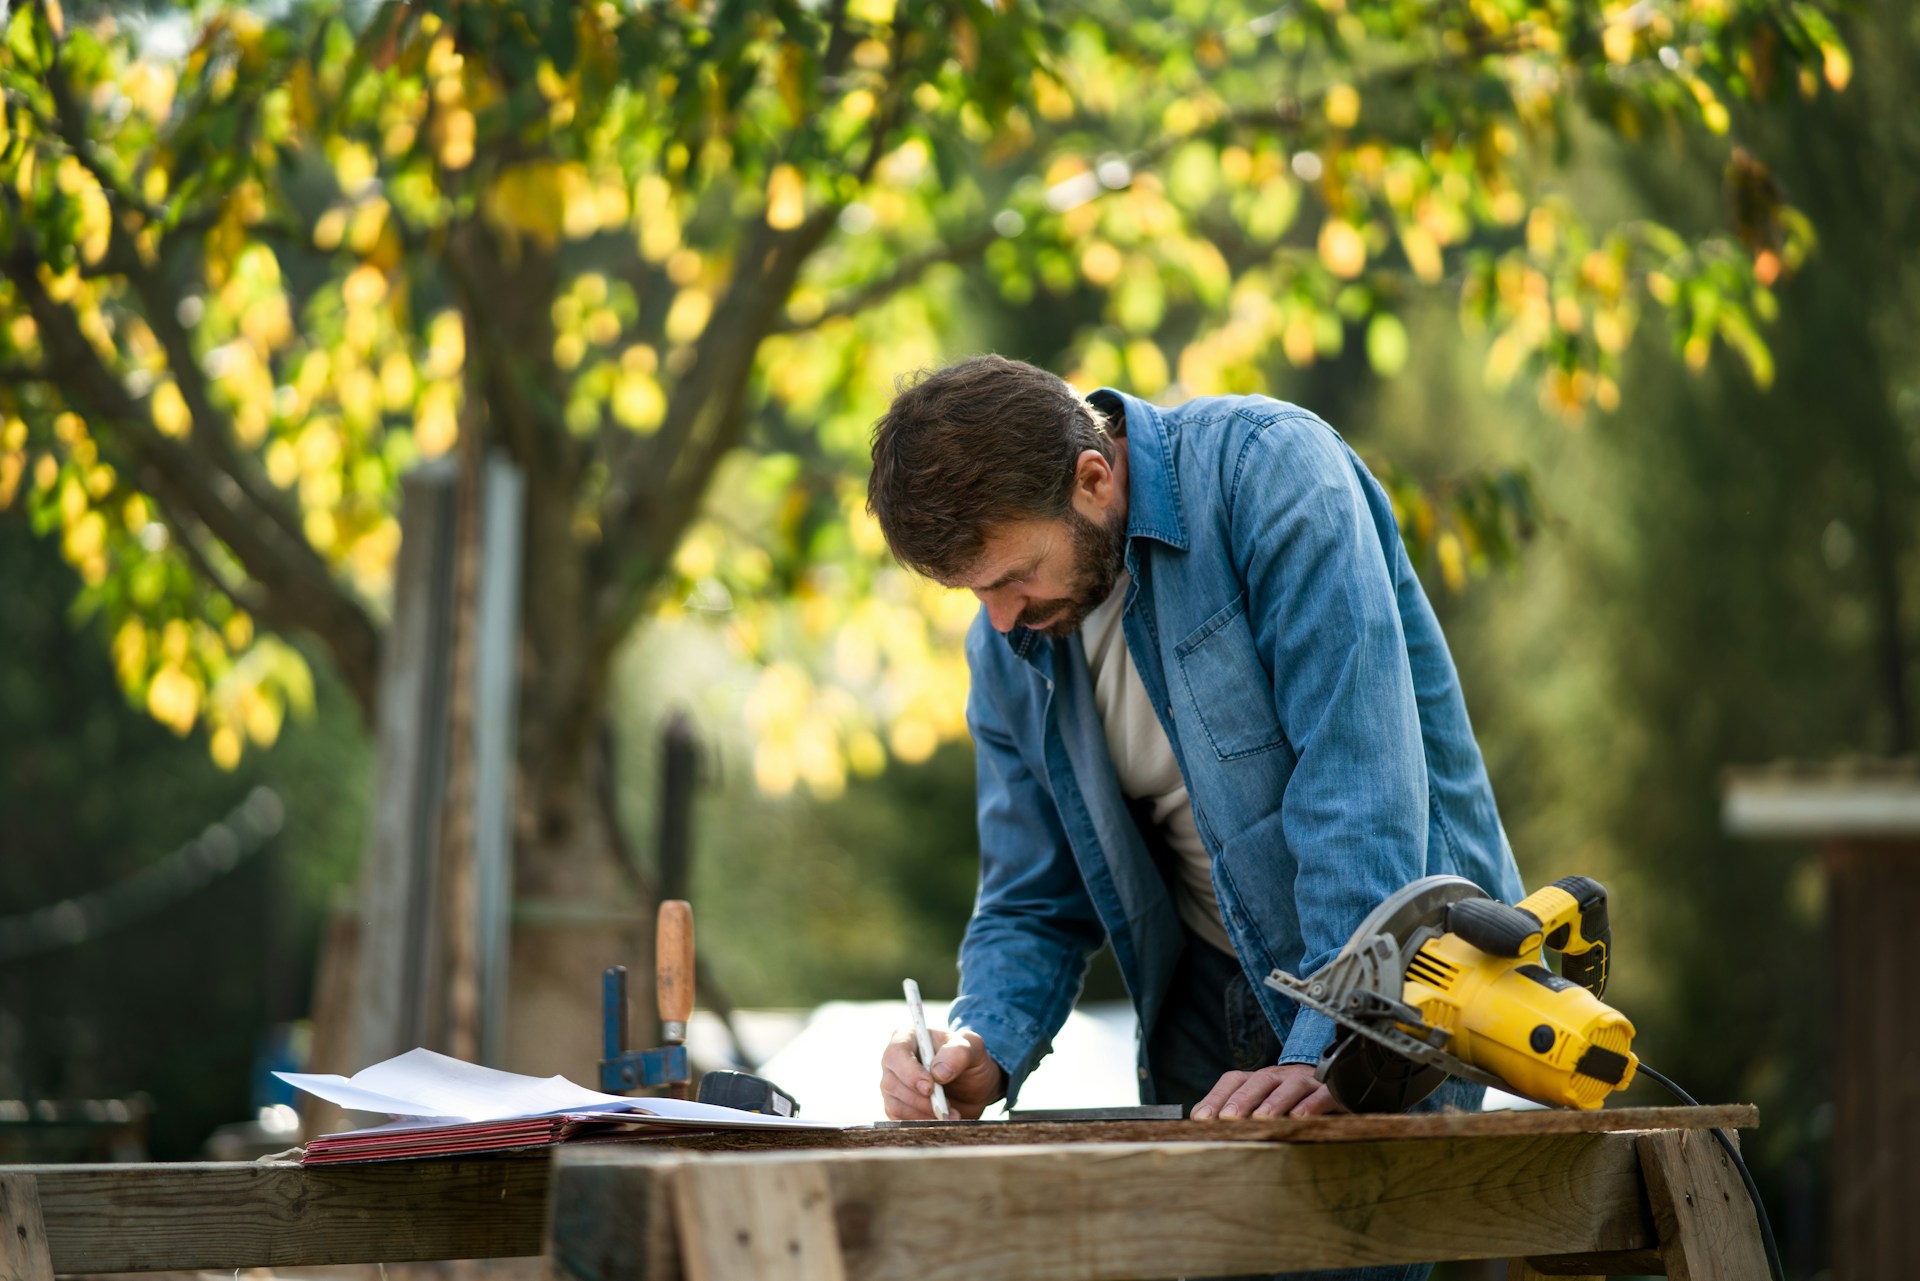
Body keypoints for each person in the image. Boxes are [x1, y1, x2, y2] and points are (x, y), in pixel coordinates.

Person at [866, 356, 1525, 1274]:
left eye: (1015, 576)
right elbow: (1031, 900)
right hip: (1209, 1016)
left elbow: (1360, 793)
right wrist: (982, 1042)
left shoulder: (1271, 473)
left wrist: (1332, 1047)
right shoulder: (1009, 644)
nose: (1002, 619)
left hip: (1399, 992)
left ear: (1093, 479)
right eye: (975, 592)